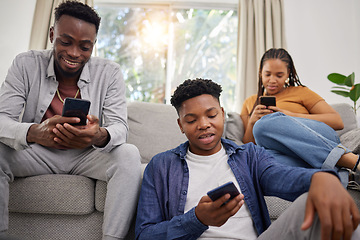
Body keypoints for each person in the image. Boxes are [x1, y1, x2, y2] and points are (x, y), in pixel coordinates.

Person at [135, 78, 360, 239]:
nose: (204, 124)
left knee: (313, 203)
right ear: (181, 126)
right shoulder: (160, 166)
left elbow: (282, 177)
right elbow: (144, 235)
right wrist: (197, 219)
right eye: (192, 120)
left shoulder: (249, 156)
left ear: (222, 114)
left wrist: (323, 179)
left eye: (211, 115)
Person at [0, 1, 141, 240]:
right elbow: (2, 119)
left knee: (129, 154)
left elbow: (120, 128)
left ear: (93, 45)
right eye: (66, 42)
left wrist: (98, 135)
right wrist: (34, 132)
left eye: (85, 47)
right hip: (37, 152)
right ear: (52, 34)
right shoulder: (25, 64)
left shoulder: (110, 72)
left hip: (86, 155)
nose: (74, 53)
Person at [240, 48, 360, 187]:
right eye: (267, 74)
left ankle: (351, 160)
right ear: (260, 72)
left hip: (317, 138)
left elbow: (337, 121)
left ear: (288, 74)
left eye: (279, 75)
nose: (272, 80)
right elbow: (247, 144)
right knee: (261, 163)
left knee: (263, 125)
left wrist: (289, 116)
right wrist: (251, 122)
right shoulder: (250, 102)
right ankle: (344, 176)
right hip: (285, 151)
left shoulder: (301, 92)